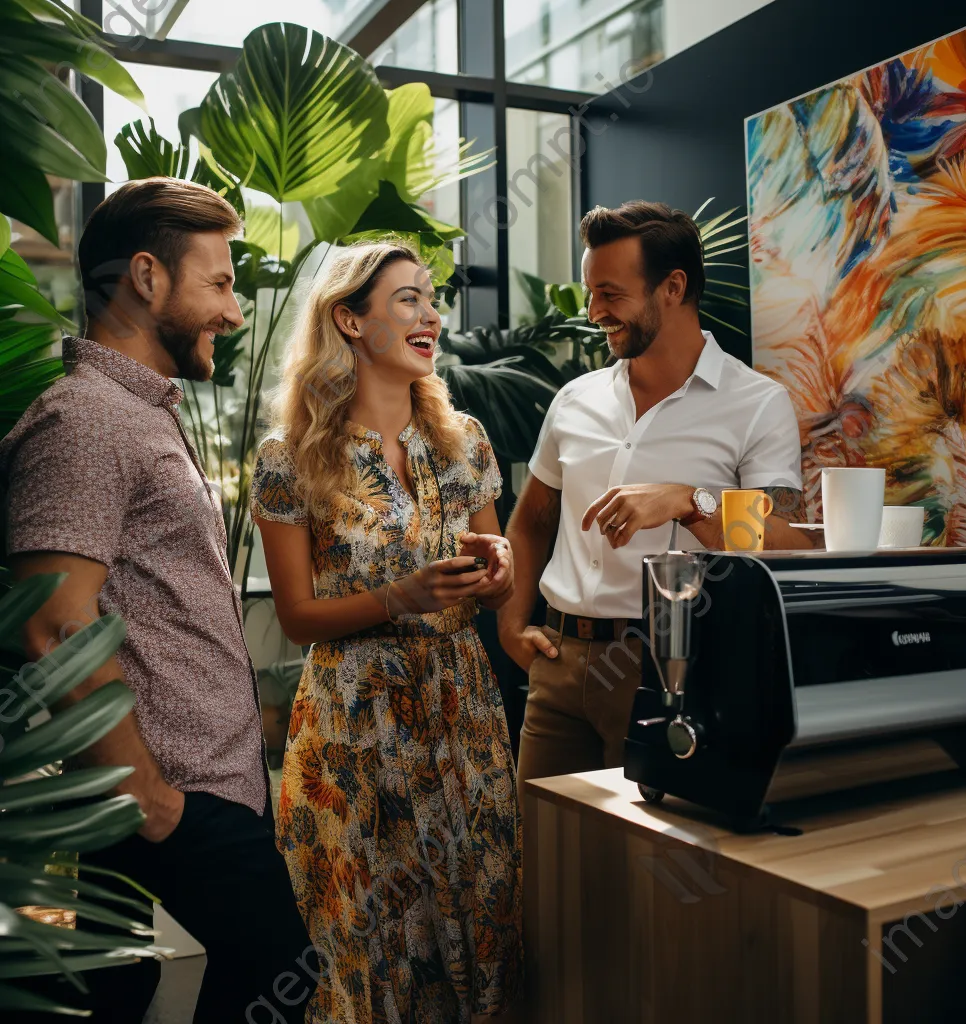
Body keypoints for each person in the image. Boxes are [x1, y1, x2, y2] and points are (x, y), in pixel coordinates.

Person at [0, 178, 313, 1024]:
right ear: (146, 276)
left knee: (126, 991)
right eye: (219, 284)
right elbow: (51, 618)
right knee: (285, 978)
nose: (237, 312)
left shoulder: (132, 412)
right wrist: (149, 795)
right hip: (170, 792)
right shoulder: (89, 419)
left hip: (178, 787)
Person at [250, 241, 524, 1024]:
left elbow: (494, 560)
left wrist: (496, 571)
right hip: (354, 722)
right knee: (367, 931)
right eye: (407, 299)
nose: (431, 315)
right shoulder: (291, 457)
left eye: (431, 299)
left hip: (462, 707)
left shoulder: (462, 439)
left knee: (481, 908)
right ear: (348, 319)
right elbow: (298, 618)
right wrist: (398, 596)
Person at [499, 200, 812, 803]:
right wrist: (512, 625)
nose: (594, 313)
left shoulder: (756, 404)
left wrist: (687, 502)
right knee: (541, 859)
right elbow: (534, 516)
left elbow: (785, 549)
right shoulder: (575, 400)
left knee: (644, 870)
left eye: (610, 294)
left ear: (673, 288)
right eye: (590, 293)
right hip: (558, 665)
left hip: (668, 671)